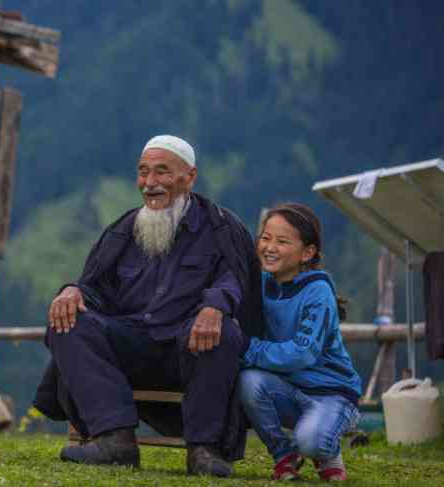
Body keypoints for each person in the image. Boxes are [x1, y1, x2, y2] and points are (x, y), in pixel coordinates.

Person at [32, 135, 263, 478]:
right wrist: (71, 291)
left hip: (189, 347)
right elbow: (95, 288)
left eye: (162, 172)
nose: (150, 183)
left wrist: (215, 307)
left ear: (190, 177)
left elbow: (236, 280)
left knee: (223, 331)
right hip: (131, 345)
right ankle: (115, 439)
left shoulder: (221, 226)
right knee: (67, 322)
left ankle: (203, 450)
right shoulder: (125, 228)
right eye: (143, 173)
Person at [238, 202, 362, 482]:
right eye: (266, 238)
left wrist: (248, 347)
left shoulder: (317, 292)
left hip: (332, 394)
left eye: (282, 241)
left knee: (313, 442)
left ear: (308, 253)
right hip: (289, 389)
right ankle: (284, 455)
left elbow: (302, 354)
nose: (269, 247)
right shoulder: (262, 283)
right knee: (248, 381)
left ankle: (326, 450)